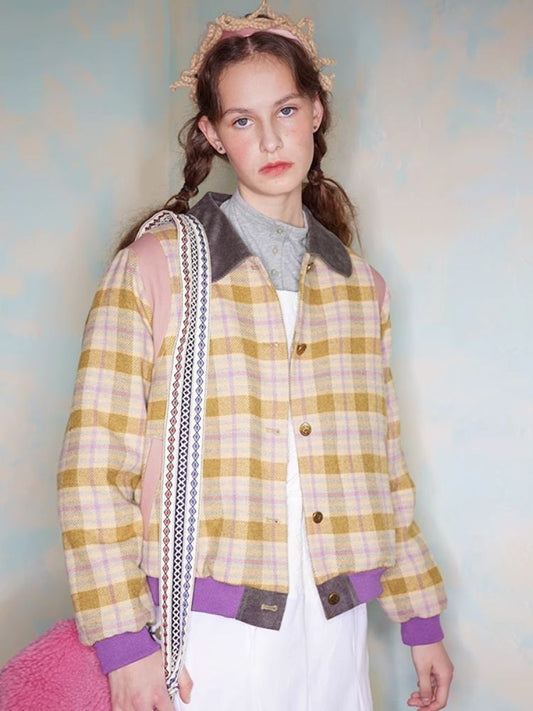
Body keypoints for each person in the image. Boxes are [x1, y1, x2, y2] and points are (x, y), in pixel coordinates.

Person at [57, 3, 453, 710]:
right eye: (242, 120)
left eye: (286, 110)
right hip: (203, 635)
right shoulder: (157, 265)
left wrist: (419, 618)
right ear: (213, 134)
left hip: (335, 629)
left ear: (316, 113)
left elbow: (385, 467)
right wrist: (124, 643)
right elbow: (93, 469)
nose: (270, 138)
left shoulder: (362, 288)